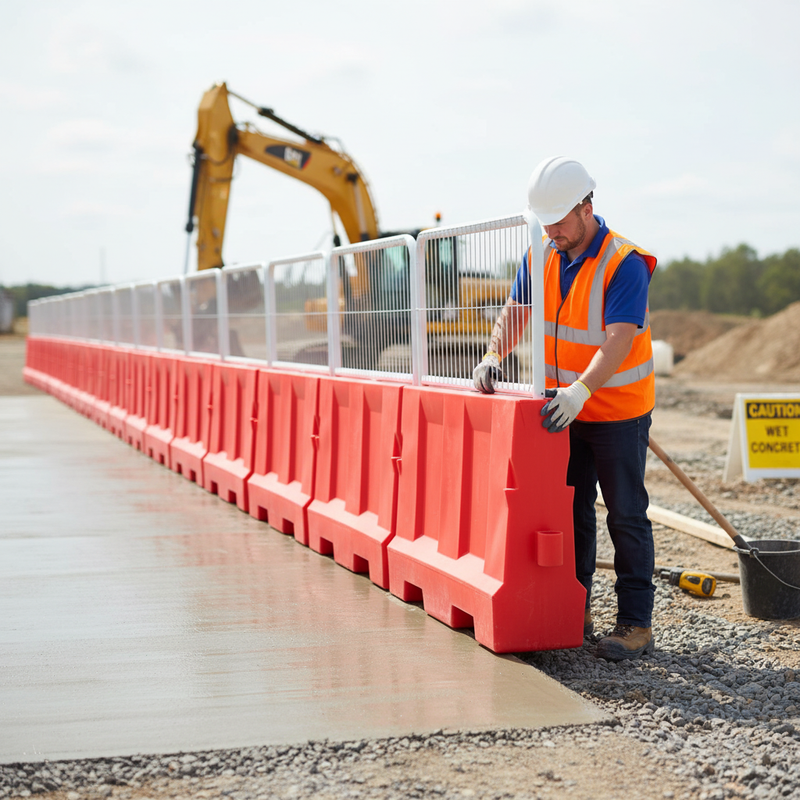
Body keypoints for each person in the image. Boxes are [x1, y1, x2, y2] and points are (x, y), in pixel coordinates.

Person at [473, 156, 658, 661]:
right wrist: (494, 353)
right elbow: (516, 310)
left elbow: (619, 339)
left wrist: (581, 389)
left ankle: (635, 623)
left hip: (616, 409)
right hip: (563, 410)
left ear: (587, 206)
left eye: (559, 220)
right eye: (545, 222)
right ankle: (573, 610)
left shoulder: (625, 262)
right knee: (571, 511)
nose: (552, 230)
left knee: (626, 515)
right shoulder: (543, 252)